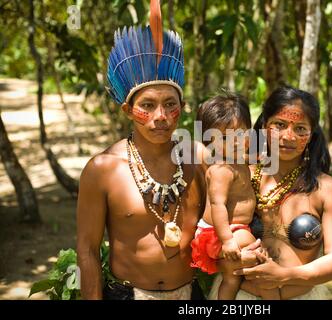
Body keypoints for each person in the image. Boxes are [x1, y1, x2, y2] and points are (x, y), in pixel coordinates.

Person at [76, 0, 208, 300]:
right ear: (127, 109)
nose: (160, 116)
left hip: (191, 296)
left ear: (182, 108)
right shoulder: (103, 169)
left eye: (170, 105)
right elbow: (87, 249)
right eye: (147, 105)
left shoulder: (198, 157)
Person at [208, 85, 332, 300]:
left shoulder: (326, 189)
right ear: (264, 126)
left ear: (312, 134)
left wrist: (284, 275)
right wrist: (226, 255)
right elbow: (206, 232)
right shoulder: (240, 175)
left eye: (300, 128)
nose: (288, 136)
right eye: (279, 125)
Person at [191, 93, 279, 300]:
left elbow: (249, 157)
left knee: (232, 279)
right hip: (219, 233)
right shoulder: (221, 170)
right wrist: (227, 240)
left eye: (241, 134)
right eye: (223, 138)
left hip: (231, 230)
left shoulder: (237, 160)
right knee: (260, 265)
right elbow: (218, 204)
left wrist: (260, 157)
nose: (234, 142)